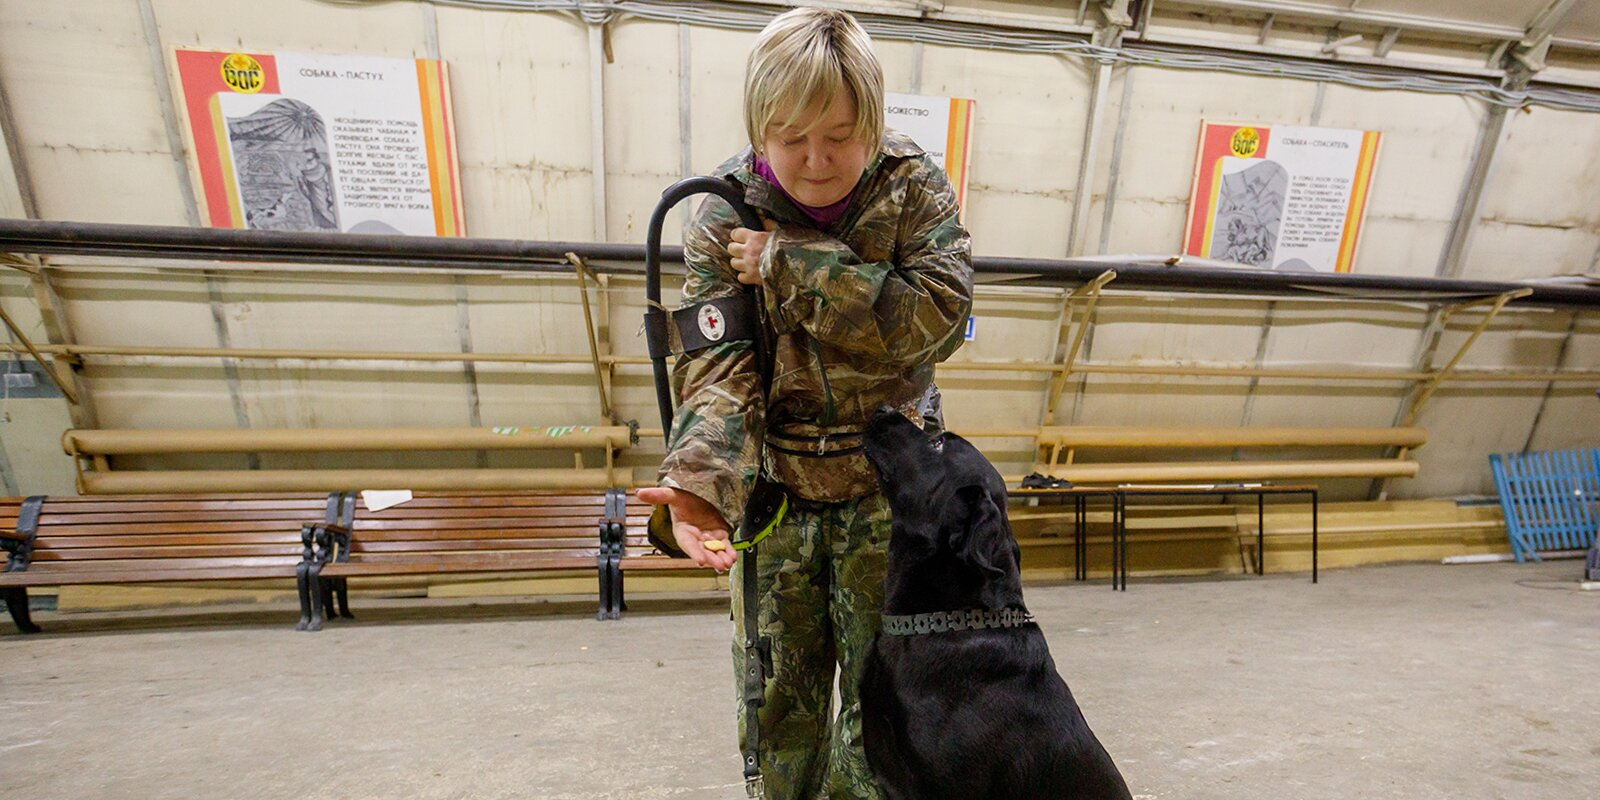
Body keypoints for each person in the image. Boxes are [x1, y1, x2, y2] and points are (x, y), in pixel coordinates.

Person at [636, 7, 973, 799]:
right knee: (778, 708)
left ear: (874, 123)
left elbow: (936, 322)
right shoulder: (723, 214)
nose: (816, 160)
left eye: (840, 134)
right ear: (760, 127)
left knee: (883, 709)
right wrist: (698, 486)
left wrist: (794, 263)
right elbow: (720, 369)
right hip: (777, 498)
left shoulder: (912, 186)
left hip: (889, 498)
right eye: (790, 137)